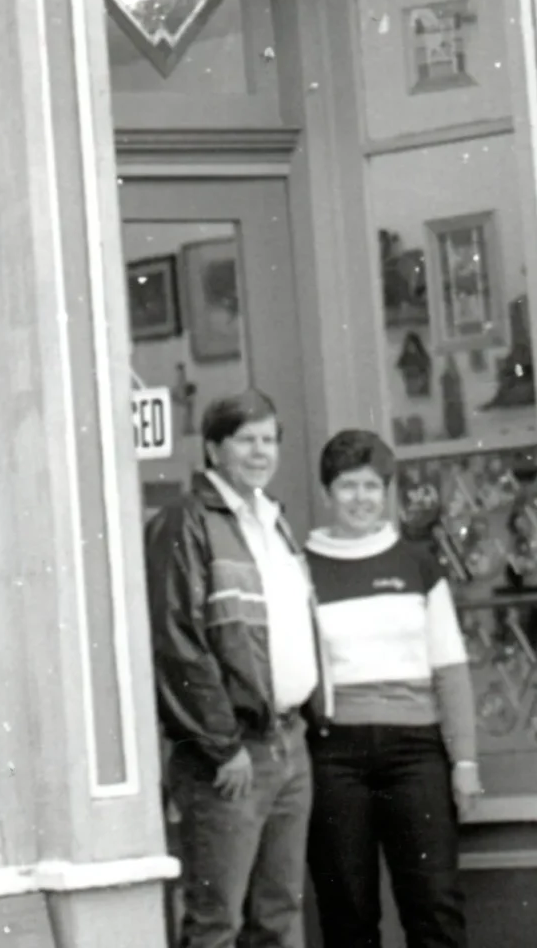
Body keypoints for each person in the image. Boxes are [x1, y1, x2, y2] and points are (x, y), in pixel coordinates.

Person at [145, 389, 328, 948]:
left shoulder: (273, 520)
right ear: (213, 448)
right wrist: (223, 745)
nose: (260, 452)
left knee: (279, 915)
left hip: (289, 744)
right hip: (230, 757)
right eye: (246, 440)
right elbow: (177, 643)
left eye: (269, 440)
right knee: (215, 922)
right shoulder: (185, 521)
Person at [304, 429, 481, 948]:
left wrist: (465, 762)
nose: (361, 499)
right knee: (348, 913)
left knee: (434, 906)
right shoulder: (302, 569)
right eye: (347, 487)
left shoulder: (416, 564)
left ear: (387, 492)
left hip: (417, 754)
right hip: (334, 756)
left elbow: (450, 668)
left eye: (372, 486)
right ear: (327, 493)